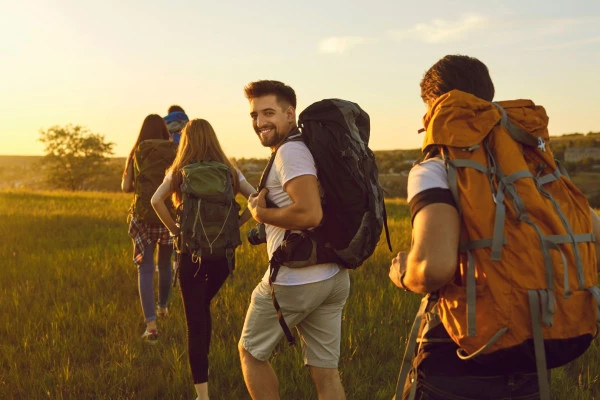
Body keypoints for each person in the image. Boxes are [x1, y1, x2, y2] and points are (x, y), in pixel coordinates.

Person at [388, 54, 600, 399]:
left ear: (436, 107)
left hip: (460, 354)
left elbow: (434, 268)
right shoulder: (535, 163)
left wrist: (402, 273)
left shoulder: (435, 166)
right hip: (538, 348)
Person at [238, 80, 350, 400]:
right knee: (326, 373)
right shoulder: (305, 148)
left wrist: (262, 216)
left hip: (296, 280)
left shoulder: (291, 152)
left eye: (269, 112)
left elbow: (310, 214)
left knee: (250, 353)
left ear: (290, 114)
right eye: (254, 115)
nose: (260, 122)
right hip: (331, 275)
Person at [151, 118, 256, 400]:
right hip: (222, 256)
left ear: (186, 142)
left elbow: (155, 201)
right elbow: (257, 199)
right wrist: (238, 222)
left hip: (190, 255)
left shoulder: (178, 172)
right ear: (213, 138)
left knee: (195, 322)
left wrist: (175, 231)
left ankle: (203, 396)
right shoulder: (230, 172)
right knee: (202, 308)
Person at [122, 114, 174, 342]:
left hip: (143, 216)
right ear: (164, 131)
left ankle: (151, 326)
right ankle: (163, 308)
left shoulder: (137, 151)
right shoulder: (175, 150)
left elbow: (125, 187)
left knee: (144, 269)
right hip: (167, 215)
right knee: (165, 264)